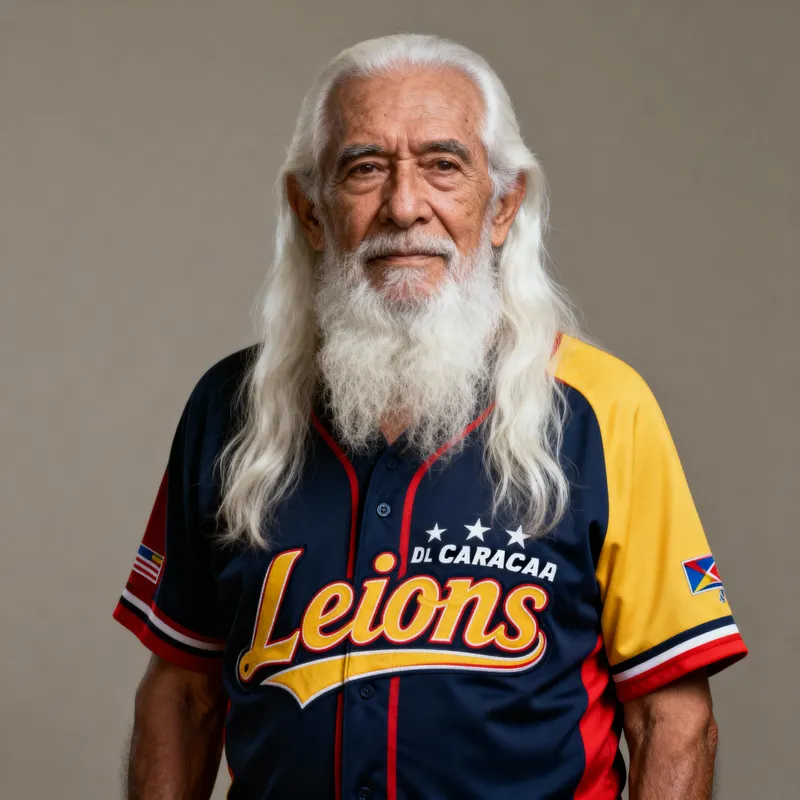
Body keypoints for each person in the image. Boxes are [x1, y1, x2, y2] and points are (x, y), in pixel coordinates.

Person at [114, 34, 747, 800]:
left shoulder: (604, 410)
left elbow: (671, 720)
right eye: (364, 169)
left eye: (443, 166)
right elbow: (181, 697)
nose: (405, 206)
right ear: (310, 212)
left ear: (504, 204)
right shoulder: (229, 410)